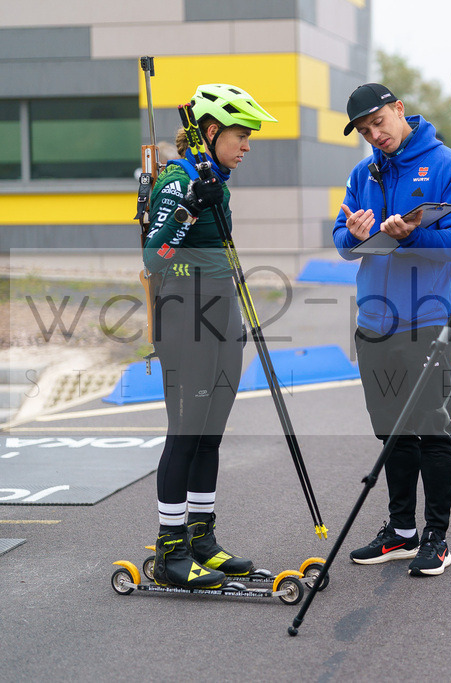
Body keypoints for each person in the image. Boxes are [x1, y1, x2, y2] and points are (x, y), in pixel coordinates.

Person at [334, 83, 451, 576]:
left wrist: (412, 233)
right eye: (365, 130)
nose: (375, 134)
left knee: (432, 429)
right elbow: (342, 240)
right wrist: (353, 236)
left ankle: (436, 537)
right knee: (391, 431)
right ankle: (400, 531)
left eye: (379, 122)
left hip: (426, 323)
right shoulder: (362, 172)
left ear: (400, 110)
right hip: (373, 323)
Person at [142, 83, 276, 588]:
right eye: (241, 135)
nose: (247, 146)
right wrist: (191, 206)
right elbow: (155, 257)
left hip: (222, 314)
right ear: (212, 131)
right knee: (186, 434)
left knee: (211, 434)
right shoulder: (179, 180)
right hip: (185, 317)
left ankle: (202, 539)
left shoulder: (212, 175)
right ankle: (171, 550)